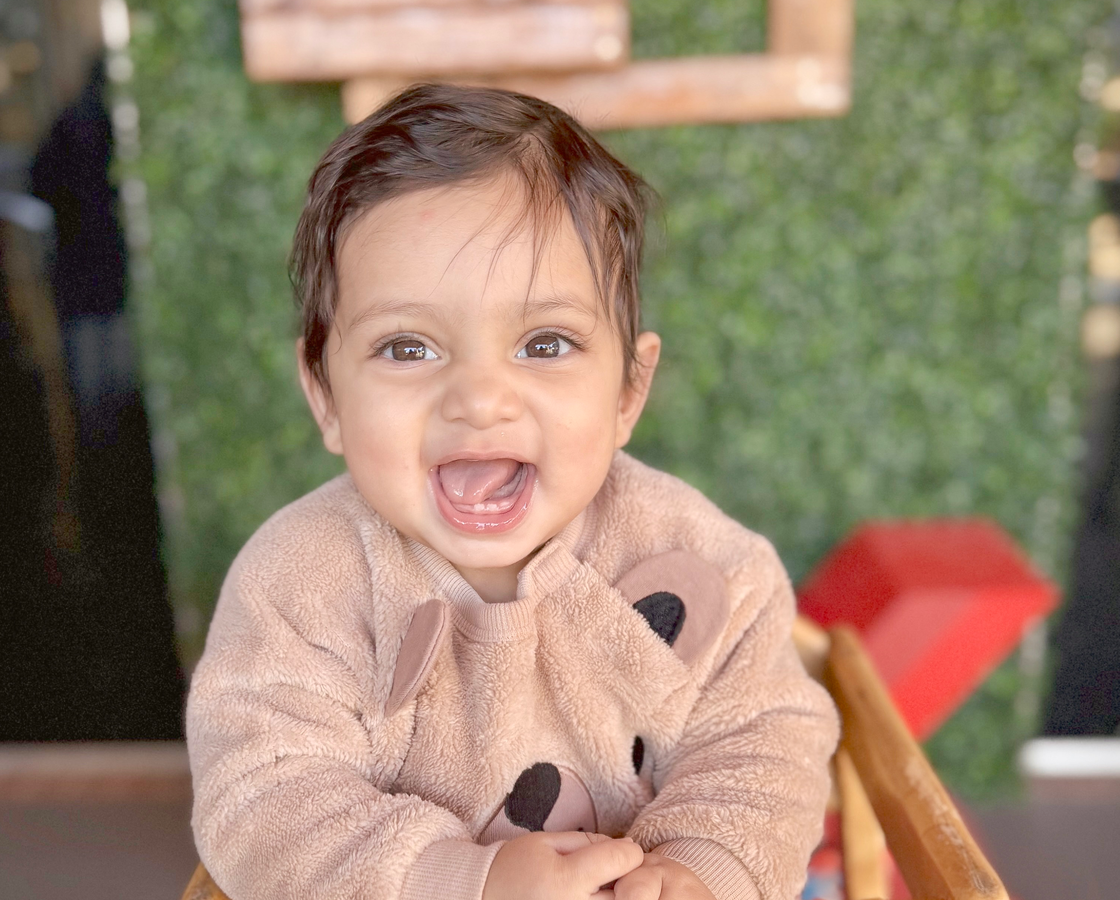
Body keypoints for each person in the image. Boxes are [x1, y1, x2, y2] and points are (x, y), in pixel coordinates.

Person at [186, 84, 838, 900]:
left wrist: (705, 867)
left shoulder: (705, 563)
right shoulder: (300, 584)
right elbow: (265, 799)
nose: (480, 399)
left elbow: (763, 741)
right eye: (408, 348)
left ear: (628, 391)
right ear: (326, 397)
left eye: (545, 343)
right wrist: (461, 881)